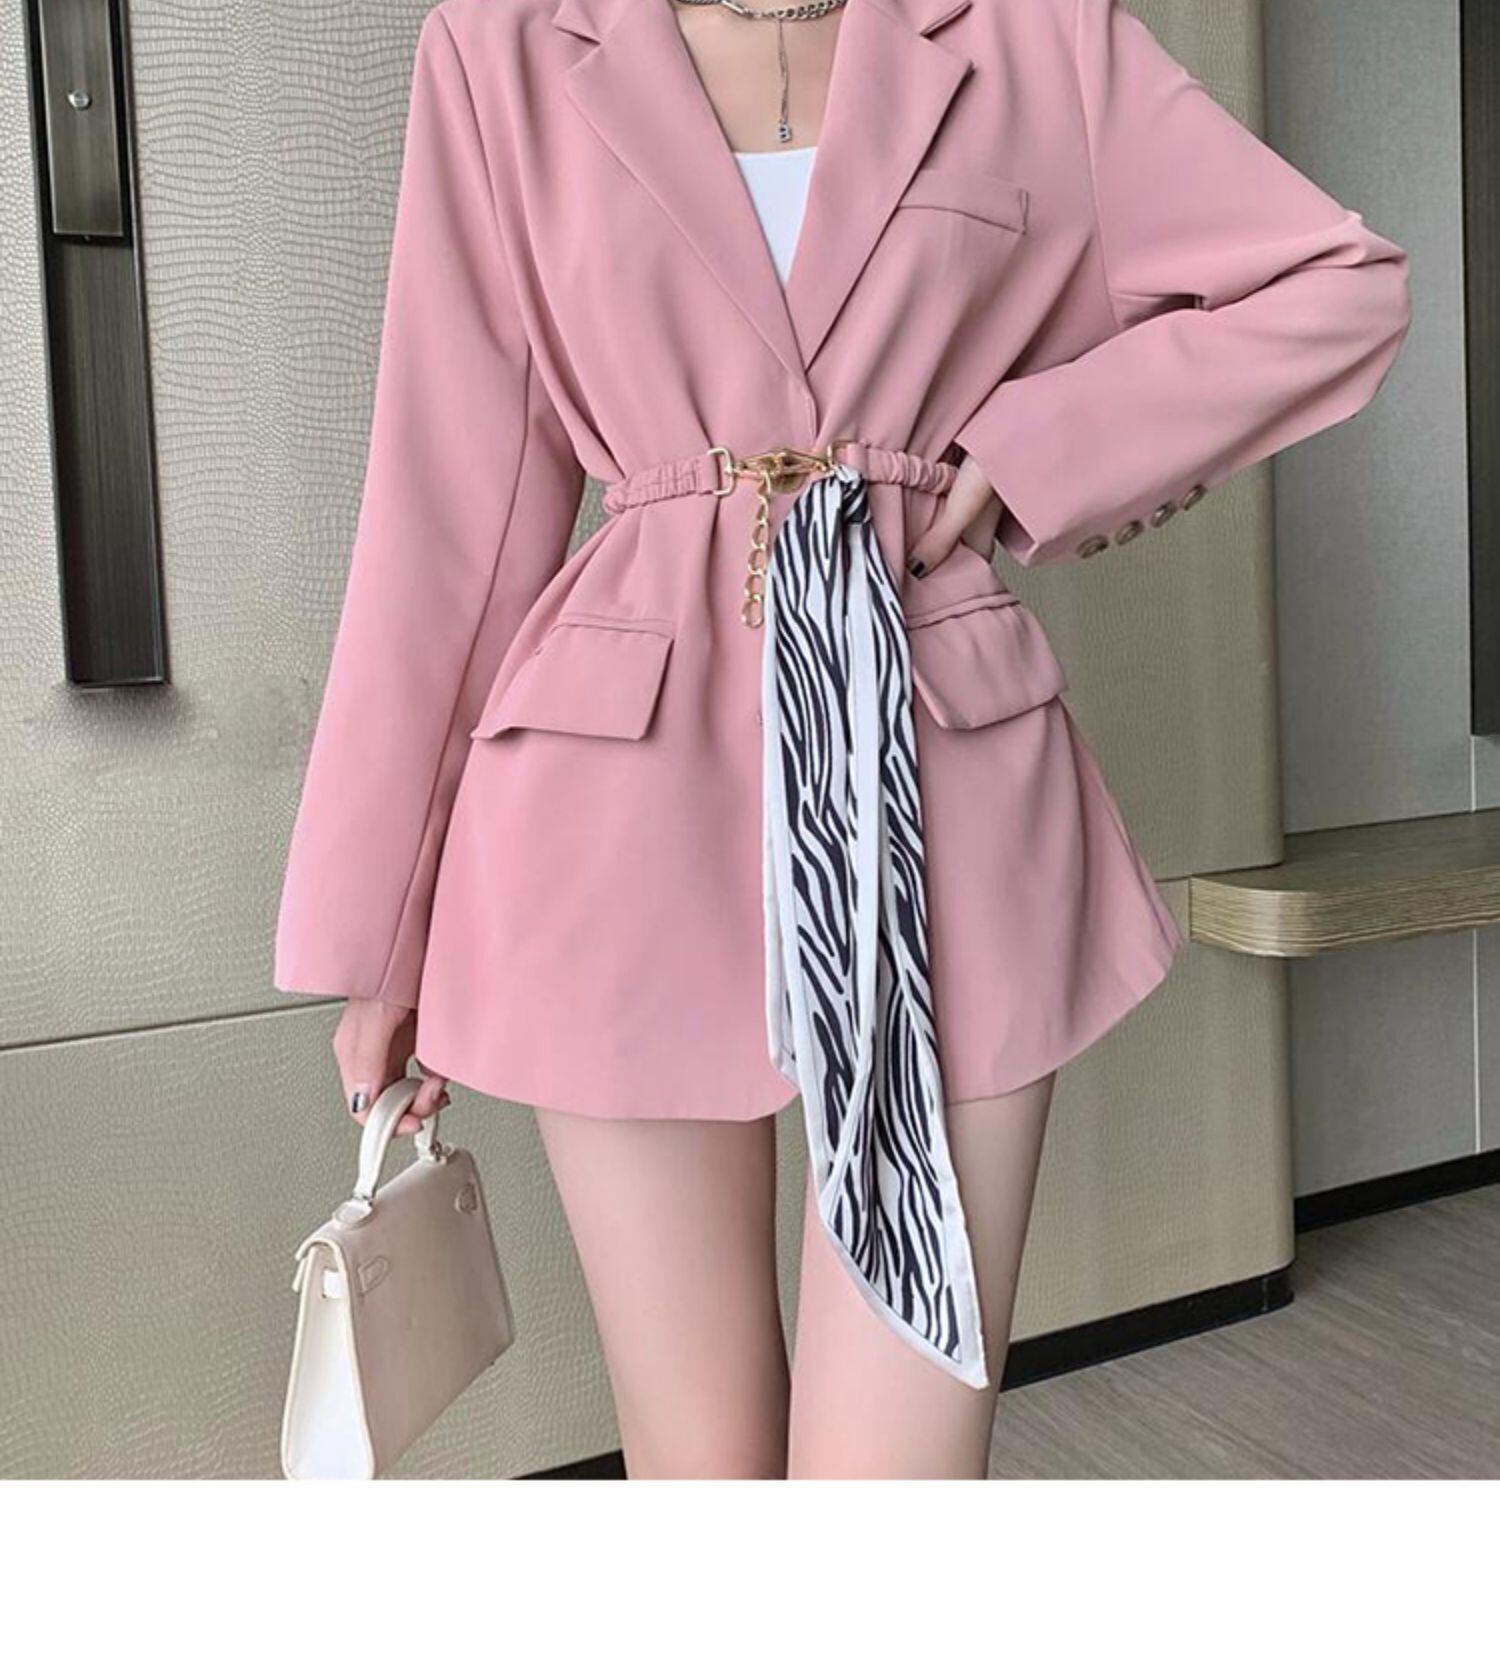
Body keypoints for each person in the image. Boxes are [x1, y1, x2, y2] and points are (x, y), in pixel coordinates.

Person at [273, 0, 1412, 1478]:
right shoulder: (503, 47)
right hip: (612, 811)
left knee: (894, 1490)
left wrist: (1039, 447)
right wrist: (384, 936)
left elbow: (1336, 286)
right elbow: (452, 510)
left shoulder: (1038, 36)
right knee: (701, 1468)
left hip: (943, 791)